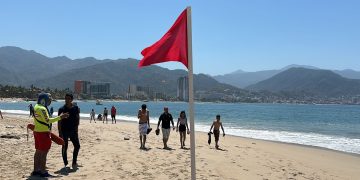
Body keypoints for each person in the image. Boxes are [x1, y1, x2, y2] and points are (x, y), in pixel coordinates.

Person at [31, 93, 69, 177]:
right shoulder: (42, 109)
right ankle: (43, 171)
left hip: (37, 131)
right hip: (43, 133)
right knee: (44, 152)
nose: (50, 101)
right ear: (43, 100)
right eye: (48, 100)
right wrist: (60, 117)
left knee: (38, 151)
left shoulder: (36, 107)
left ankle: (36, 170)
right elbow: (48, 120)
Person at [58, 93, 81, 168]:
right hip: (64, 131)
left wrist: (77, 128)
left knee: (77, 146)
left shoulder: (75, 108)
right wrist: (60, 133)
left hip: (73, 131)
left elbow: (78, 118)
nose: (66, 100)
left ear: (71, 100)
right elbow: (59, 121)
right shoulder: (61, 109)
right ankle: (66, 163)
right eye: (66, 98)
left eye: (68, 99)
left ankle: (74, 162)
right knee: (65, 147)